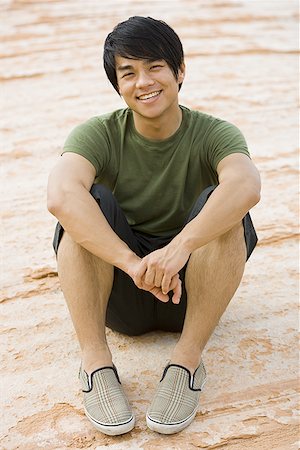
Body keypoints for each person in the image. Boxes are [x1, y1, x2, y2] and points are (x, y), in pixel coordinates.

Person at [47, 16, 261, 436]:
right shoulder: (100, 134)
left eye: (155, 66)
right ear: (118, 85)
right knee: (85, 208)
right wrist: (131, 262)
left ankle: (185, 362)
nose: (143, 81)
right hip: (122, 297)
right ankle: (95, 365)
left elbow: (247, 185)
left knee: (223, 208)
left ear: (179, 71)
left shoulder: (214, 133)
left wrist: (180, 247)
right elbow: (60, 195)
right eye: (129, 73)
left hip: (193, 296)